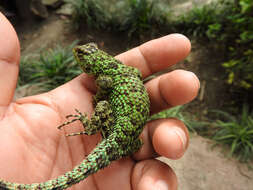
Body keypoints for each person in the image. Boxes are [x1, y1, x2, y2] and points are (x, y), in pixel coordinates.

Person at [0, 12, 199, 190]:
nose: (79, 54)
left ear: (91, 66)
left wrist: (98, 99)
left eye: (83, 56)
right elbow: (137, 72)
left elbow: (103, 89)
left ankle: (90, 126)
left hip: (117, 135)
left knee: (102, 104)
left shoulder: (104, 78)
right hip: (130, 143)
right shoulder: (125, 70)